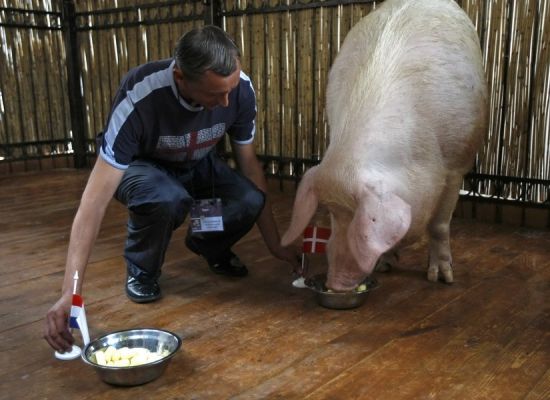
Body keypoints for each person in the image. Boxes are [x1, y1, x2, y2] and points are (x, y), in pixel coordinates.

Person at [44, 25, 300, 353]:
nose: (225, 101)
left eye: (230, 90)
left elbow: (250, 166)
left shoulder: (240, 90)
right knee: (167, 197)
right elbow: (93, 204)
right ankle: (142, 270)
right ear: (180, 77)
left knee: (249, 198)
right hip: (141, 168)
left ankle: (208, 241)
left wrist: (275, 244)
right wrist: (71, 292)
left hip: (196, 164)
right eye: (215, 94)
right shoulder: (140, 95)